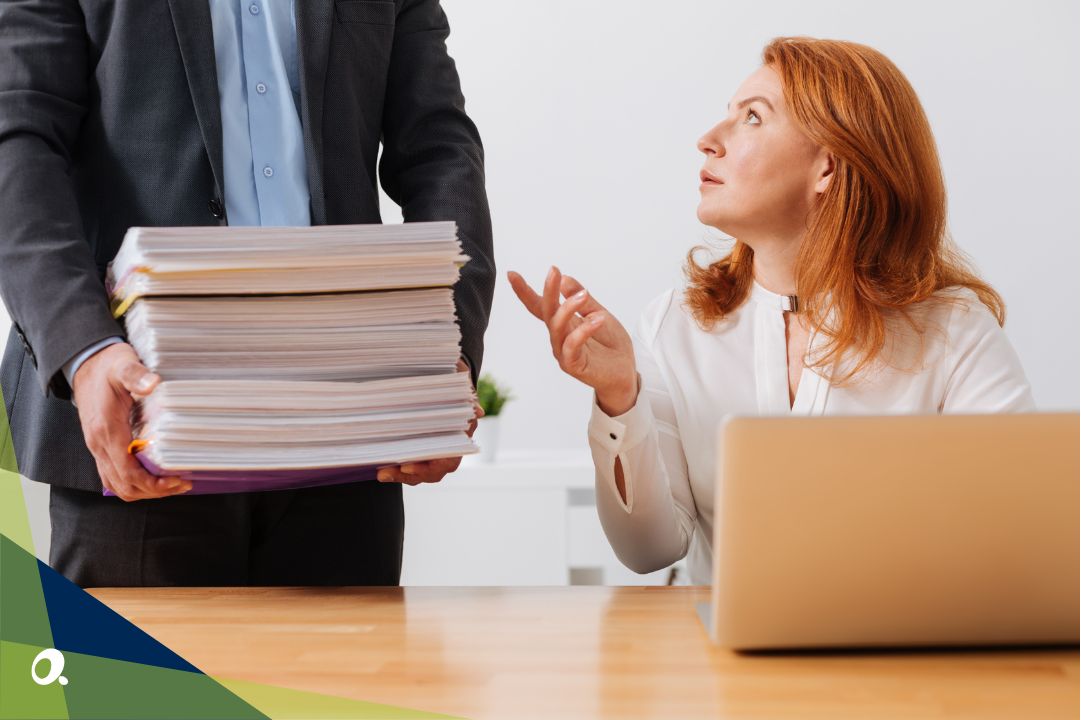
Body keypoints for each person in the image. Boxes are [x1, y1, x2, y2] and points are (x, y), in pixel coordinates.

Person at [0, 0, 493, 587]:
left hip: (348, 434)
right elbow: (18, 140)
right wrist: (84, 350)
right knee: (135, 682)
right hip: (138, 425)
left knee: (349, 682)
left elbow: (439, 148)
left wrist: (444, 353)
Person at [509, 37, 1033, 586]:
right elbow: (649, 550)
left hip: (899, 659)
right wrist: (620, 397)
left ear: (828, 166)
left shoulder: (954, 332)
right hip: (723, 663)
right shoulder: (676, 325)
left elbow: (1016, 532)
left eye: (753, 118)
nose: (709, 141)